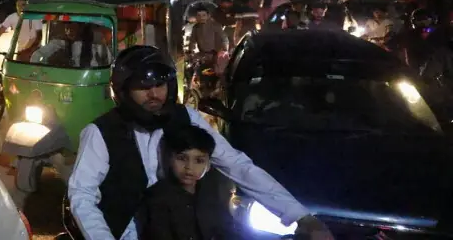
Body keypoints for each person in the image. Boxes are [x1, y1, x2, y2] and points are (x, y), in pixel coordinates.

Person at [67, 45, 332, 240]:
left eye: (160, 84)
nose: (154, 93)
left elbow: (237, 165)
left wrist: (299, 215)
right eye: (142, 86)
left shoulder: (186, 119)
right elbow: (82, 195)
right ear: (123, 89)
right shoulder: (101, 131)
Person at [136, 119, 221, 240]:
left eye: (199, 161)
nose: (189, 167)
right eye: (182, 158)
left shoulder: (210, 192)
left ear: (208, 165)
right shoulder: (157, 198)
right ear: (169, 159)